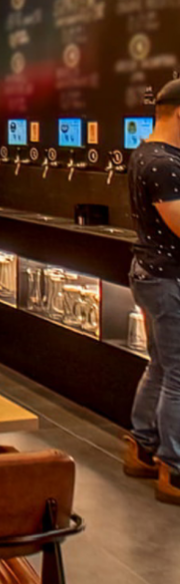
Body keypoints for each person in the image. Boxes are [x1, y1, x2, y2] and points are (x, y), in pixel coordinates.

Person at [125, 78, 180, 504]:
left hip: (149, 273)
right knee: (178, 372)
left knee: (161, 366)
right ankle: (173, 466)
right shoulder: (164, 163)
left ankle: (142, 446)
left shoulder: (145, 152)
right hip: (168, 279)